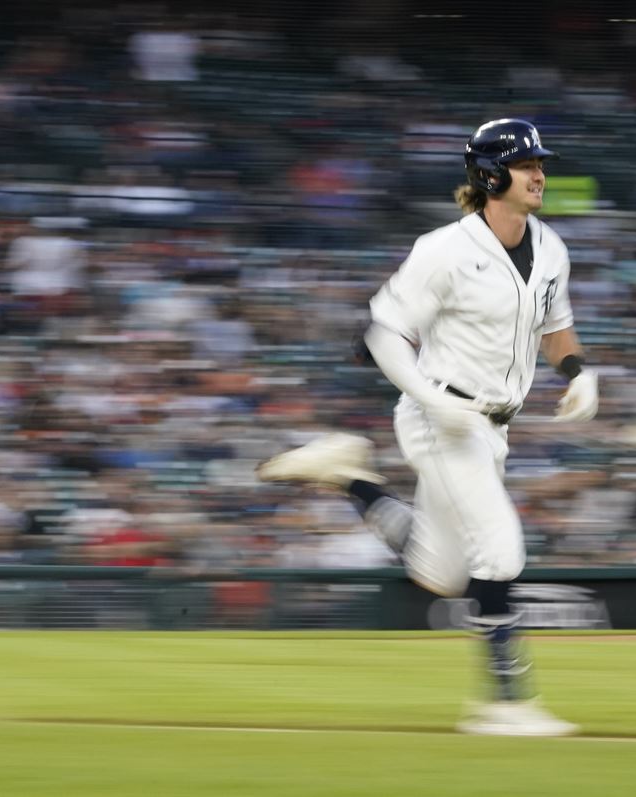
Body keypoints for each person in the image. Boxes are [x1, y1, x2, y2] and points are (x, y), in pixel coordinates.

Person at [257, 119, 599, 736]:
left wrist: (578, 372)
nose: (540, 173)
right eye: (527, 165)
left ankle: (351, 478)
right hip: (438, 417)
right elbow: (382, 335)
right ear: (492, 176)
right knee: (499, 548)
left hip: (489, 427)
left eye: (540, 163)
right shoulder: (443, 248)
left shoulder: (550, 246)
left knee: (440, 574)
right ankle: (507, 702)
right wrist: (428, 395)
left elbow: (555, 326)